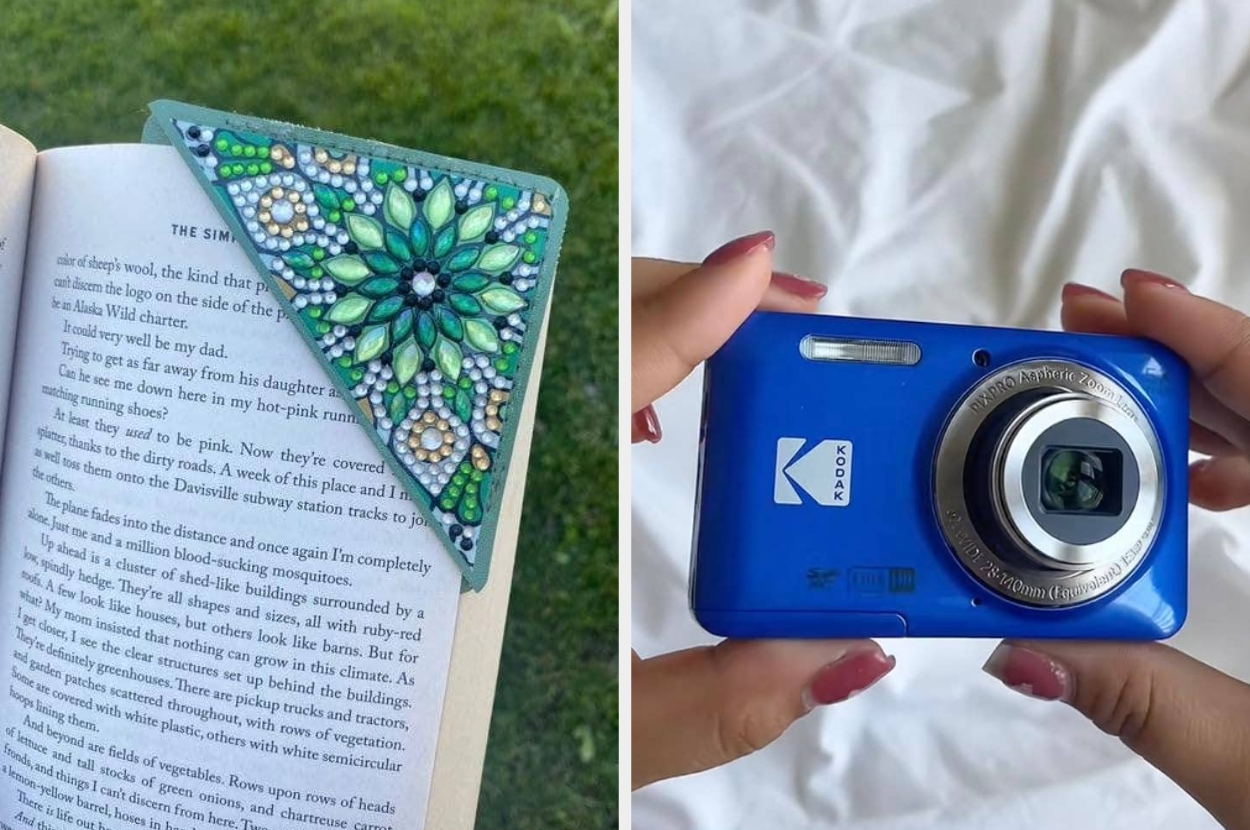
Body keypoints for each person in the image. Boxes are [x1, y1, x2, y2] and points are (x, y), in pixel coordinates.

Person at [631, 232, 1250, 828]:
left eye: (1075, 489)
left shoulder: (1145, 591)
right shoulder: (1146, 398)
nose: (1075, 485)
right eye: (1076, 481)